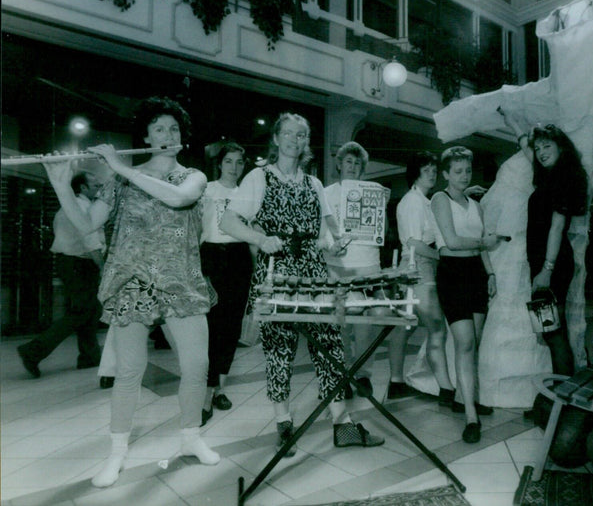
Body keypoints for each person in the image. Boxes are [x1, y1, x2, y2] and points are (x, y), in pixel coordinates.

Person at [42, 96, 220, 488]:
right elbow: (87, 226)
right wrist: (60, 184)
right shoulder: (119, 181)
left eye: (174, 129)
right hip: (131, 280)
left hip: (182, 278)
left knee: (196, 366)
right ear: (145, 135)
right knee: (129, 372)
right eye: (159, 128)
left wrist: (119, 167)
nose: (167, 135)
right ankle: (117, 453)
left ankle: (191, 438)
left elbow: (179, 198)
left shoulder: (193, 176)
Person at [220, 113, 384, 456]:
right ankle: (283, 421)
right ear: (277, 138)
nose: (296, 140)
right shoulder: (259, 177)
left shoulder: (314, 184)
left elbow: (326, 232)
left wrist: (333, 243)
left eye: (302, 135)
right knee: (280, 349)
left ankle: (342, 423)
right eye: (290, 134)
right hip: (277, 270)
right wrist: (259, 239)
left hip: (312, 271)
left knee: (329, 344)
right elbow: (228, 221)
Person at [476, 109, 553, 408]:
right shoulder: (532, 161)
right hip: (512, 249)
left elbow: (526, 143)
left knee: (527, 312)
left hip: (527, 249)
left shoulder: (544, 169)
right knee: (508, 306)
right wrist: (512, 120)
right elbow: (525, 141)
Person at [431, 146, 500, 444]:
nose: (463, 176)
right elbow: (452, 241)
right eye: (457, 171)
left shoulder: (476, 204)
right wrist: (486, 242)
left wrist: (491, 273)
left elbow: (481, 247)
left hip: (476, 273)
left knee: (475, 342)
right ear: (446, 173)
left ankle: (465, 397)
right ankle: (470, 415)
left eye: (467, 171)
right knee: (465, 342)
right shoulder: (439, 199)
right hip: (452, 272)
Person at [322, 142, 395, 399]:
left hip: (368, 265)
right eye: (348, 162)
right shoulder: (327, 193)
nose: (352, 167)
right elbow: (321, 233)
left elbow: (382, 233)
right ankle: (342, 374)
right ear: (339, 164)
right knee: (340, 323)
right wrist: (332, 248)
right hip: (338, 266)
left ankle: (363, 375)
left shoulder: (373, 190)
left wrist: (383, 207)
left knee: (366, 324)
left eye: (357, 163)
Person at [17, 172, 105, 378]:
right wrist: (102, 266)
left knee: (89, 311)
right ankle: (33, 351)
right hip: (80, 263)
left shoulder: (69, 207)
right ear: (82, 188)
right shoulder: (80, 208)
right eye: (95, 183)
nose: (99, 186)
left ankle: (90, 357)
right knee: (81, 311)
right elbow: (90, 241)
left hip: (72, 263)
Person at [525, 124, 589, 385]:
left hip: (552, 264)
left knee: (553, 333)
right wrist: (511, 120)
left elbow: (557, 226)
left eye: (547, 146)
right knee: (551, 331)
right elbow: (524, 143)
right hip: (546, 263)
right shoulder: (551, 176)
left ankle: (563, 402)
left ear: (561, 146)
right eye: (537, 148)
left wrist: (546, 270)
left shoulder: (565, 177)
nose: (540, 152)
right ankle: (562, 399)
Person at [392, 152, 456, 404]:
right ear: (416, 172)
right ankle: (446, 389)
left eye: (433, 168)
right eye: (426, 169)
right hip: (417, 269)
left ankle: (396, 382)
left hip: (417, 270)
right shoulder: (411, 202)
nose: (431, 173)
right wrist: (443, 256)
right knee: (437, 327)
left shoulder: (424, 201)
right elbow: (413, 243)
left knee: (404, 328)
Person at [199, 141, 252, 425]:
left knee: (231, 328)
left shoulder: (249, 194)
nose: (234, 167)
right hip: (211, 256)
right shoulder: (206, 189)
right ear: (220, 163)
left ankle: (219, 388)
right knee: (211, 327)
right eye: (229, 161)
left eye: (239, 162)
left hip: (239, 257)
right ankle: (206, 393)